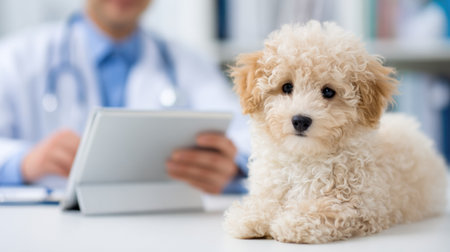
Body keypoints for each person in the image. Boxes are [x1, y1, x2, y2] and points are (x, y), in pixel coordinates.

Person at [0, 0, 249, 194]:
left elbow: (253, 135)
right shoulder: (17, 58)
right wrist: (23, 162)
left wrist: (231, 166)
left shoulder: (188, 63)